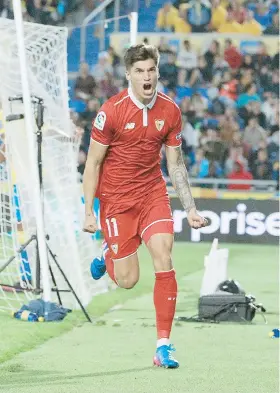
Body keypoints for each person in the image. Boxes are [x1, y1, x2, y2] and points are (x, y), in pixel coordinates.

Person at [82, 44, 207, 369]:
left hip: (152, 193)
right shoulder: (112, 111)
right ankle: (108, 252)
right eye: (139, 71)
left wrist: (190, 208)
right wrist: (88, 211)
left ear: (157, 72)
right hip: (117, 200)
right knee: (128, 280)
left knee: (164, 254)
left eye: (151, 69)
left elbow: (176, 165)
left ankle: (162, 346)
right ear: (128, 75)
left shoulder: (171, 111)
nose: (146, 76)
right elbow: (93, 163)